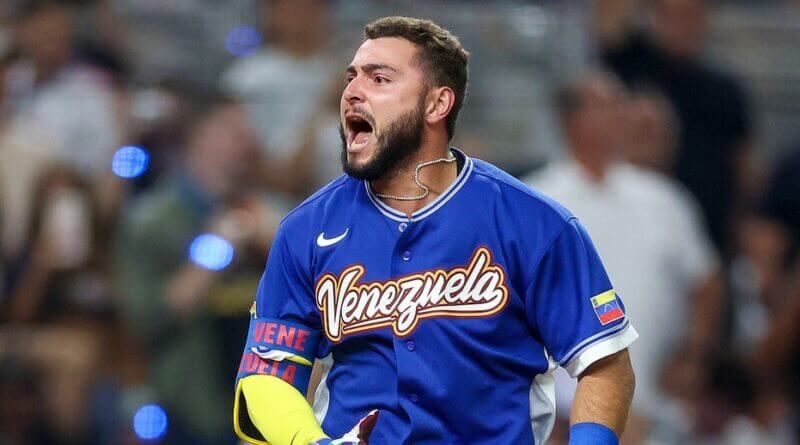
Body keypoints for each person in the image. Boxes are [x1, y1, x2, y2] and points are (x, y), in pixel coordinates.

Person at [233, 17, 637, 445]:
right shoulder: (306, 229)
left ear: (436, 104)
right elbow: (267, 373)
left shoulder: (533, 223)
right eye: (351, 78)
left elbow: (604, 364)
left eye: (379, 79)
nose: (352, 91)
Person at [524, 73, 722, 443]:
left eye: (620, 105)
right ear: (573, 122)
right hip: (559, 403)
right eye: (607, 106)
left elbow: (706, 282)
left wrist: (694, 354)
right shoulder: (535, 199)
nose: (621, 116)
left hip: (652, 396)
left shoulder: (663, 199)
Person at [116, 97, 285, 445]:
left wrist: (277, 246)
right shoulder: (152, 220)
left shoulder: (266, 212)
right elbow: (145, 320)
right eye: (232, 131)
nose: (245, 141)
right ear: (198, 138)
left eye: (246, 132)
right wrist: (216, 250)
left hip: (261, 398)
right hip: (190, 403)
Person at [596, 0, 754, 253]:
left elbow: (743, 165)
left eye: (693, 15)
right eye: (675, 14)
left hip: (708, 224)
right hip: (629, 217)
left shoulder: (725, 89)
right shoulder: (627, 67)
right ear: (654, 15)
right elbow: (608, 19)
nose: (684, 24)